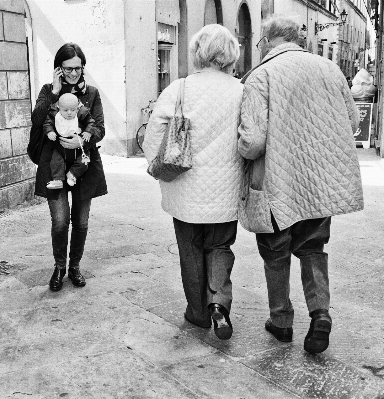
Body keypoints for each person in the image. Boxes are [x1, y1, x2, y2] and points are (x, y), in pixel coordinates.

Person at [238, 15, 363, 354]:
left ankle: (281, 321)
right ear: (298, 39)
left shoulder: (261, 75)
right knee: (313, 248)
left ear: (266, 40)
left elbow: (252, 143)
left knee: (275, 250)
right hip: (320, 181)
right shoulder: (329, 69)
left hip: (278, 181)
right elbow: (352, 120)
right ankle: (320, 312)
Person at [143, 24, 243, 340]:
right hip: (226, 190)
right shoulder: (242, 91)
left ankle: (198, 313)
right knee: (220, 246)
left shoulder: (180, 88)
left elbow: (154, 135)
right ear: (230, 54)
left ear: (197, 52)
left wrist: (156, 166)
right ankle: (218, 304)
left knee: (190, 250)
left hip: (184, 190)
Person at [31, 43, 107, 292]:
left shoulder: (92, 94)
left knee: (81, 221)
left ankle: (74, 266)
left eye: (77, 68)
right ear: (59, 69)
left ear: (83, 68)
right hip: (54, 165)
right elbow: (37, 119)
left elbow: (99, 128)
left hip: (83, 165)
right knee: (60, 221)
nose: (73, 73)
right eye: (67, 69)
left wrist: (83, 138)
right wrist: (53, 92)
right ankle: (59, 267)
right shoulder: (48, 91)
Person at [43, 93, 95, 189]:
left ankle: (72, 174)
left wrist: (88, 132)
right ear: (59, 108)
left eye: (73, 110)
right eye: (65, 110)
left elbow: (91, 122)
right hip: (61, 145)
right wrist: (49, 131)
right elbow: (47, 123)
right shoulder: (54, 114)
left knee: (85, 161)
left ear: (77, 108)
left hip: (79, 145)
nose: (69, 113)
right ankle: (58, 180)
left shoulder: (82, 113)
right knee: (56, 160)